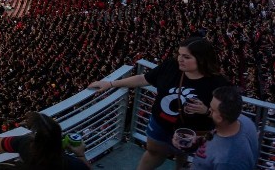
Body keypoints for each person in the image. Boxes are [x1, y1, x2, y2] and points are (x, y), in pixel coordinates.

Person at [88, 37, 229, 170]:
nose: (180, 59)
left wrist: (206, 111)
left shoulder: (218, 83)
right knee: (154, 152)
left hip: (193, 132)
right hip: (160, 124)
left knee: (182, 154)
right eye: (179, 54)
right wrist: (111, 83)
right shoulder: (171, 66)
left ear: (202, 60)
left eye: (186, 57)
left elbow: (227, 116)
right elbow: (143, 79)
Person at [0, 111, 90, 169]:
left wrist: (22, 139)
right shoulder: (73, 164)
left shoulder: (24, 144)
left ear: (34, 140)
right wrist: (80, 155)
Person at [193, 86, 259, 170]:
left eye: (212, 110)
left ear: (220, 118)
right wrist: (196, 140)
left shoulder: (228, 161)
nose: (208, 110)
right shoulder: (243, 120)